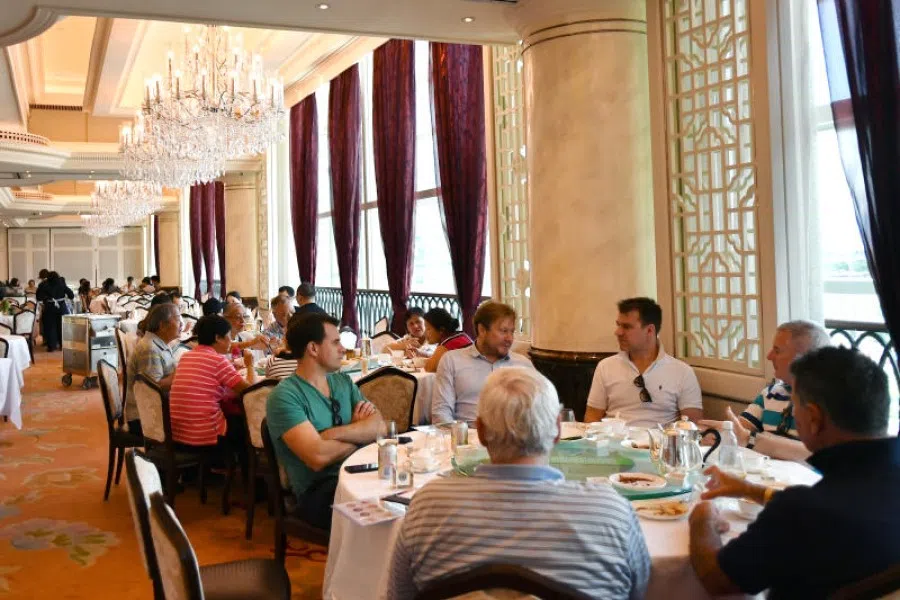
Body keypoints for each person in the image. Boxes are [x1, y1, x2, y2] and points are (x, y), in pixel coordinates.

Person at [387, 367, 650, 599]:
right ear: (558, 430)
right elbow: (639, 593)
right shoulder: (611, 512)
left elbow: (399, 596)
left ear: (481, 432)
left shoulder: (427, 506)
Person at [689, 347, 900, 598]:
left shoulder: (802, 511)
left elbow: (717, 580)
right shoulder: (850, 494)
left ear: (813, 418)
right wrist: (750, 490)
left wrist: (702, 517)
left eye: (795, 406)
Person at [266, 312, 382, 530]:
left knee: (413, 499)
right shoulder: (285, 396)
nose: (343, 349)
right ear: (313, 348)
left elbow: (380, 427)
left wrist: (333, 434)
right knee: (387, 519)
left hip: (362, 475)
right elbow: (318, 457)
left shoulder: (342, 381)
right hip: (320, 492)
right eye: (336, 342)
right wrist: (360, 434)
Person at [699, 321, 831, 461]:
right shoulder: (771, 393)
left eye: (777, 351)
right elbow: (740, 430)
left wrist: (750, 439)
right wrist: (718, 435)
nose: (769, 356)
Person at [584, 297, 703, 427]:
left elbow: (692, 425)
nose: (618, 332)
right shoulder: (606, 367)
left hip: (661, 439)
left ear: (649, 330)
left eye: (627, 327)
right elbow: (592, 418)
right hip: (615, 438)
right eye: (618, 325)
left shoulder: (682, 372)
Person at [431, 301, 532, 424]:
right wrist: (458, 435)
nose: (509, 338)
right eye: (504, 331)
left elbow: (535, 411)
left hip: (511, 434)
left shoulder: (523, 365)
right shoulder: (452, 361)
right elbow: (441, 413)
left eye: (512, 331)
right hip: (467, 433)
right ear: (482, 330)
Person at [168, 315, 256, 447]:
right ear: (217, 338)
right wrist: (250, 365)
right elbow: (251, 391)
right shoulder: (218, 361)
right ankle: (236, 459)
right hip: (205, 435)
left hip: (178, 434)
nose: (231, 341)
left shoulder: (186, 357)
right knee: (245, 423)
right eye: (229, 336)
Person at [124, 304, 182, 436]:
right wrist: (179, 375)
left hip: (153, 411)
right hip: (143, 419)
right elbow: (152, 389)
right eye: (178, 320)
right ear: (162, 325)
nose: (182, 324)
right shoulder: (150, 349)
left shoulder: (160, 344)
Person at [421, 308, 473, 373]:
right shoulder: (461, 336)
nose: (425, 333)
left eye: (428, 329)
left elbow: (429, 368)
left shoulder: (449, 343)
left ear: (441, 330)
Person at [36, 271, 73, 351]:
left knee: (50, 327)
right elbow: (71, 295)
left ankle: (51, 346)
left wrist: (46, 298)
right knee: (62, 326)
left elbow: (38, 297)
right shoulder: (61, 284)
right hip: (61, 307)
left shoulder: (43, 285)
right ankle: (62, 345)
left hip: (49, 308)